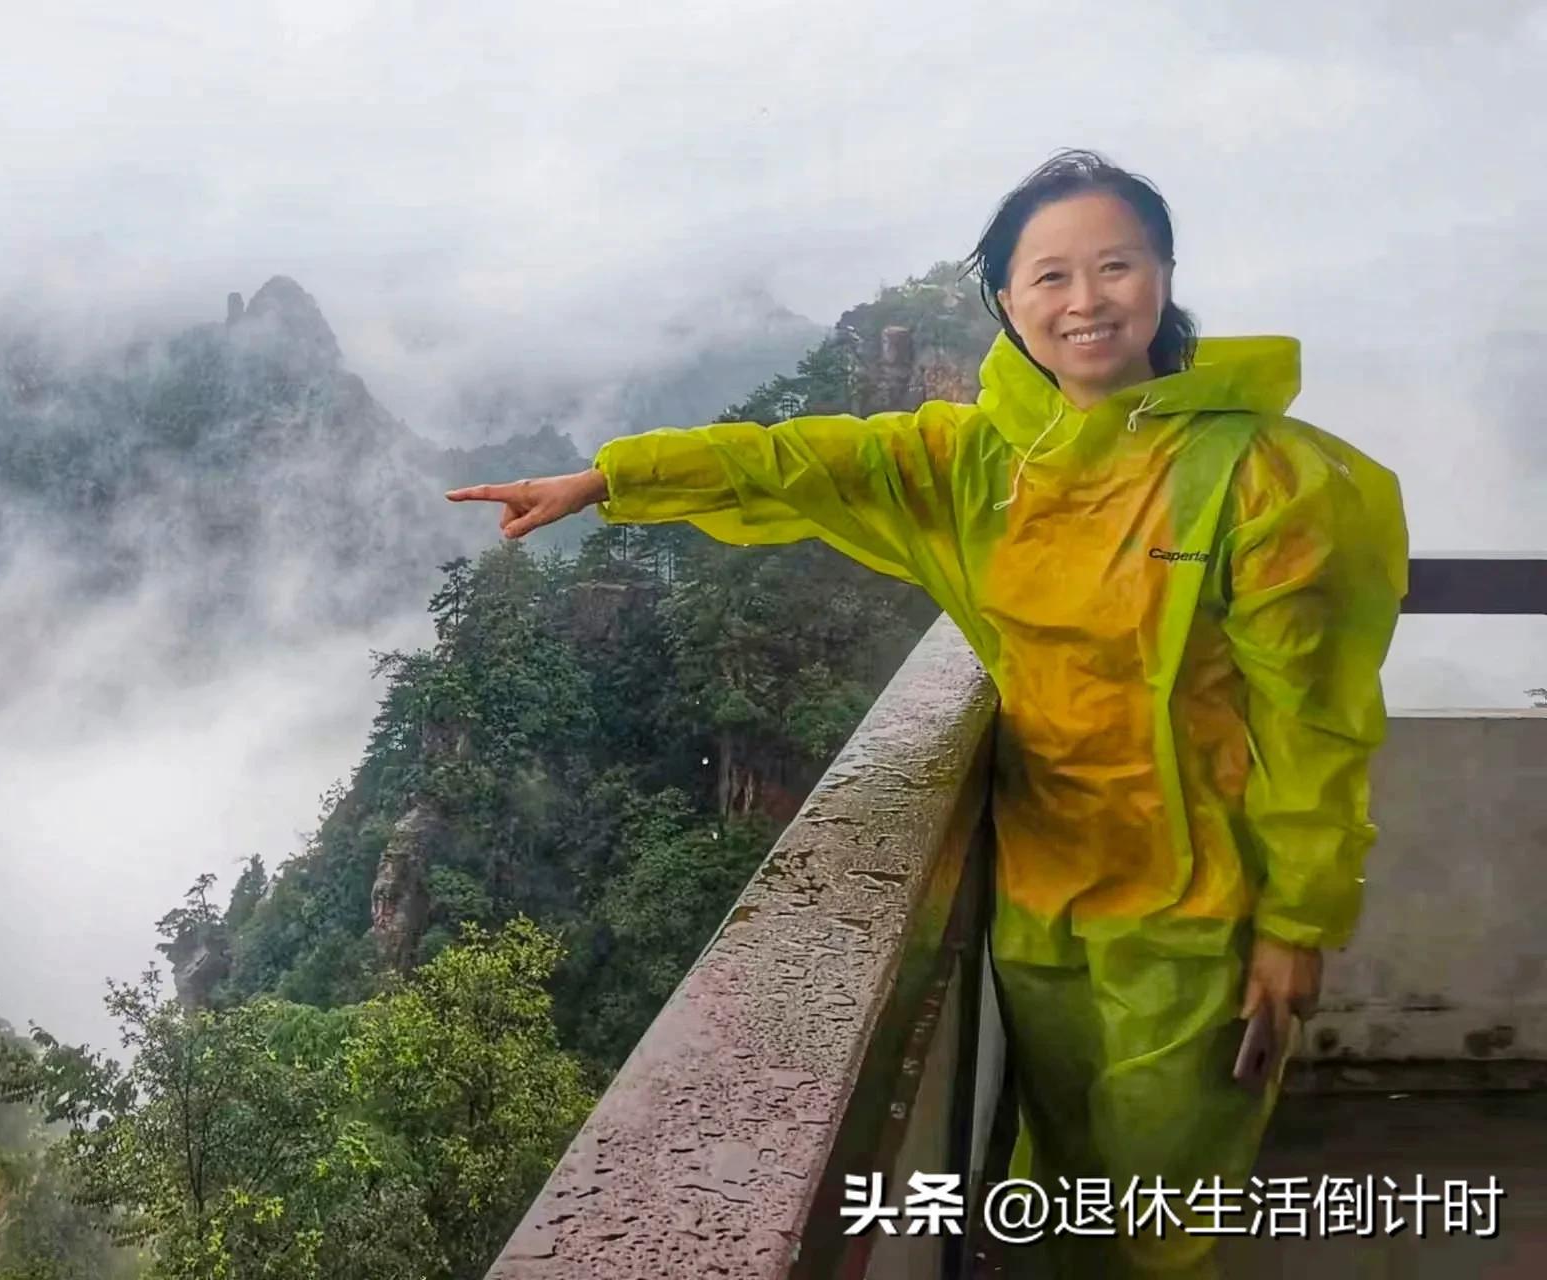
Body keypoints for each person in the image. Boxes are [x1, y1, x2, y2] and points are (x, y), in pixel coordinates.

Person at [447, 149, 1409, 1277]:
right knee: (1065, 1179)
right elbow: (800, 461)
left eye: (1116, 265)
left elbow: (1315, 727)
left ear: (1162, 274)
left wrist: (1296, 927)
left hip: (1203, 911)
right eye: (1049, 276)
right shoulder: (978, 464)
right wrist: (609, 479)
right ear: (1005, 300)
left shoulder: (1263, 481)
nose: (1086, 299)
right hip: (1040, 900)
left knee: (1166, 1210)